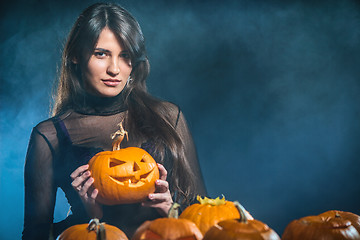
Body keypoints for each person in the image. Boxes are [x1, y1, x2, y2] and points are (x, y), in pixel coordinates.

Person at [22, 2, 207, 239]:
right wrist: (89, 218)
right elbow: (35, 235)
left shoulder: (169, 117)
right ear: (77, 56)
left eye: (125, 56)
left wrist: (170, 209)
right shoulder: (49, 136)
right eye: (101, 54)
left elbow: (203, 219)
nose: (114, 69)